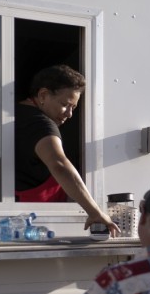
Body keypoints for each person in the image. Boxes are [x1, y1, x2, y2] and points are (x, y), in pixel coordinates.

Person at [15, 65, 119, 234]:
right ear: (43, 95)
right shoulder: (42, 125)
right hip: (35, 228)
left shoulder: (15, 113)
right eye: (65, 104)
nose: (70, 114)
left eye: (74, 108)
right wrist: (95, 212)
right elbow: (59, 165)